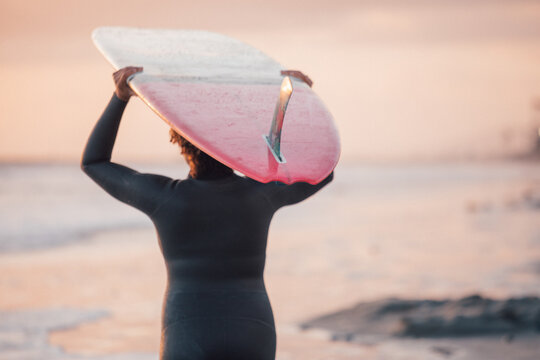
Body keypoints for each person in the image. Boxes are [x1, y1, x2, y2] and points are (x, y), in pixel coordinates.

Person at [81, 66, 333, 360]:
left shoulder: (164, 198)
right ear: (231, 146)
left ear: (179, 141)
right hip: (253, 331)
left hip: (188, 333)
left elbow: (94, 162)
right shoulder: (261, 194)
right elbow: (322, 171)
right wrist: (301, 101)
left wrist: (120, 97)